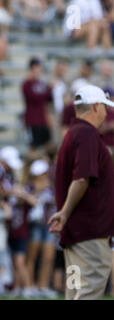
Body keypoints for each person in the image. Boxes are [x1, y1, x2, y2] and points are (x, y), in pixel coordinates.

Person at [49, 85, 114, 300]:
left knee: (75, 292)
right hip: (90, 234)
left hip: (77, 235)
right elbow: (82, 178)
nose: (107, 113)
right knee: (87, 292)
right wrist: (65, 212)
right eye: (105, 107)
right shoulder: (87, 134)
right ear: (96, 106)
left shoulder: (74, 133)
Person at [25, 159, 57, 298]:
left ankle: (42, 286)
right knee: (32, 256)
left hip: (49, 224)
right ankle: (29, 286)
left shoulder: (52, 187)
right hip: (35, 225)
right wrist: (38, 190)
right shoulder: (29, 187)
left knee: (48, 257)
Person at [21, 57, 53, 153]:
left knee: (47, 145)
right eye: (37, 67)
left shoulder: (41, 83)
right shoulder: (27, 84)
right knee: (33, 146)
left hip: (42, 119)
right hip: (32, 120)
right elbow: (34, 98)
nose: (39, 70)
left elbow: (48, 99)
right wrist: (48, 89)